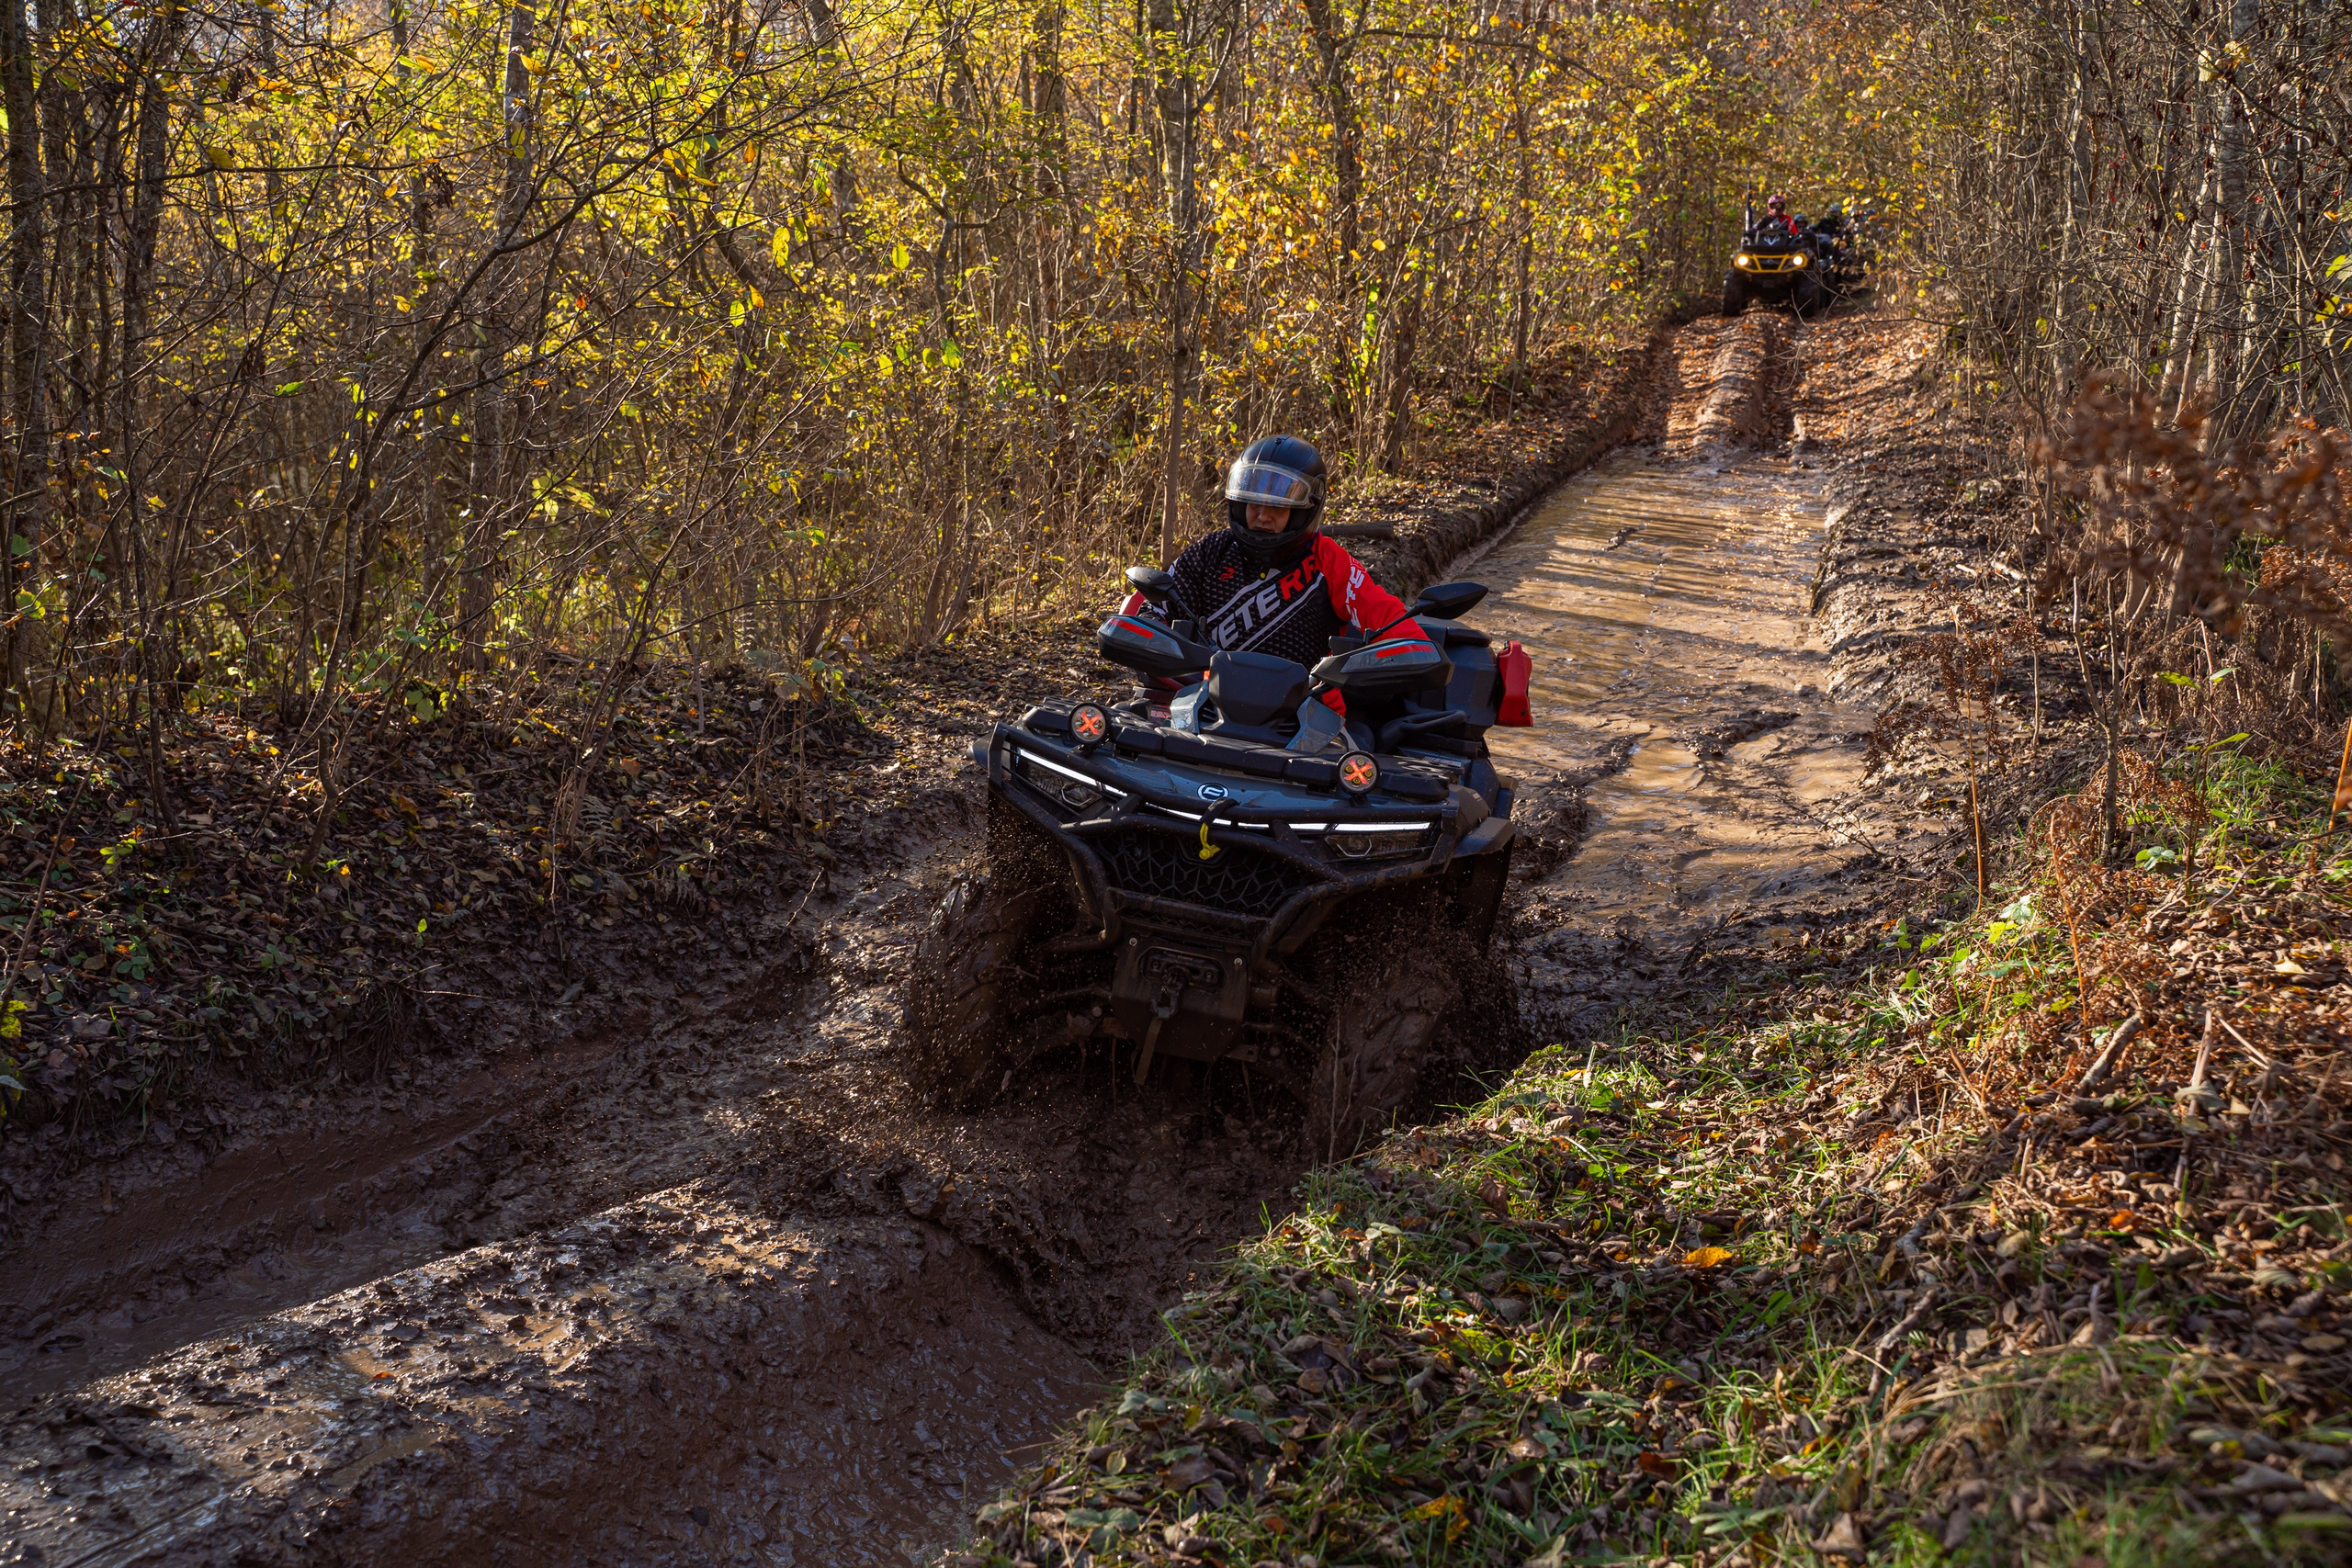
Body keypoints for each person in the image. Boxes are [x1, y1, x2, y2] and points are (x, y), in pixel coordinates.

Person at [1123, 434, 1430, 677]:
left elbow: (1389, 620)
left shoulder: (1329, 561)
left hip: (1310, 709)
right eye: (1253, 504)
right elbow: (1161, 603)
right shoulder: (1212, 550)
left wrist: (1407, 654)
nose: (1262, 517)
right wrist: (1151, 632)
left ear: (1305, 509)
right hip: (1205, 699)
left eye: (1276, 507)